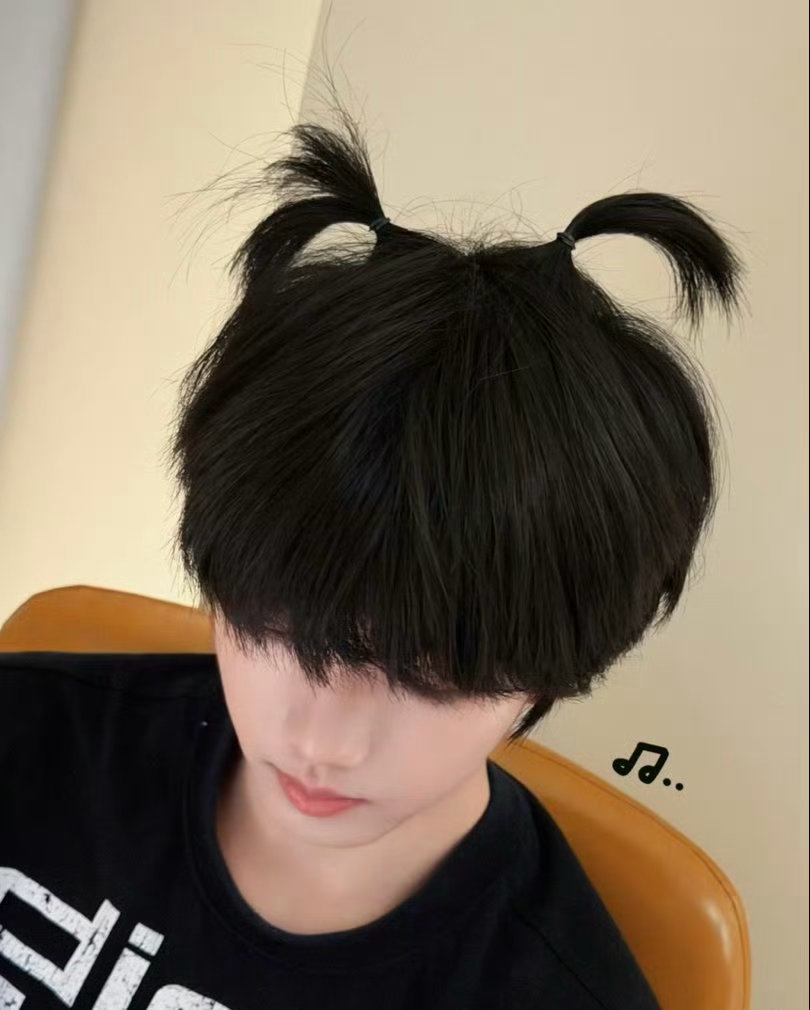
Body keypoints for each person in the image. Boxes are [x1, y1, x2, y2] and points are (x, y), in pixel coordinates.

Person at [0, 71, 745, 1009]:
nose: (323, 741)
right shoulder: (29, 737)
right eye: (277, 629)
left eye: (430, 674)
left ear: (555, 664)